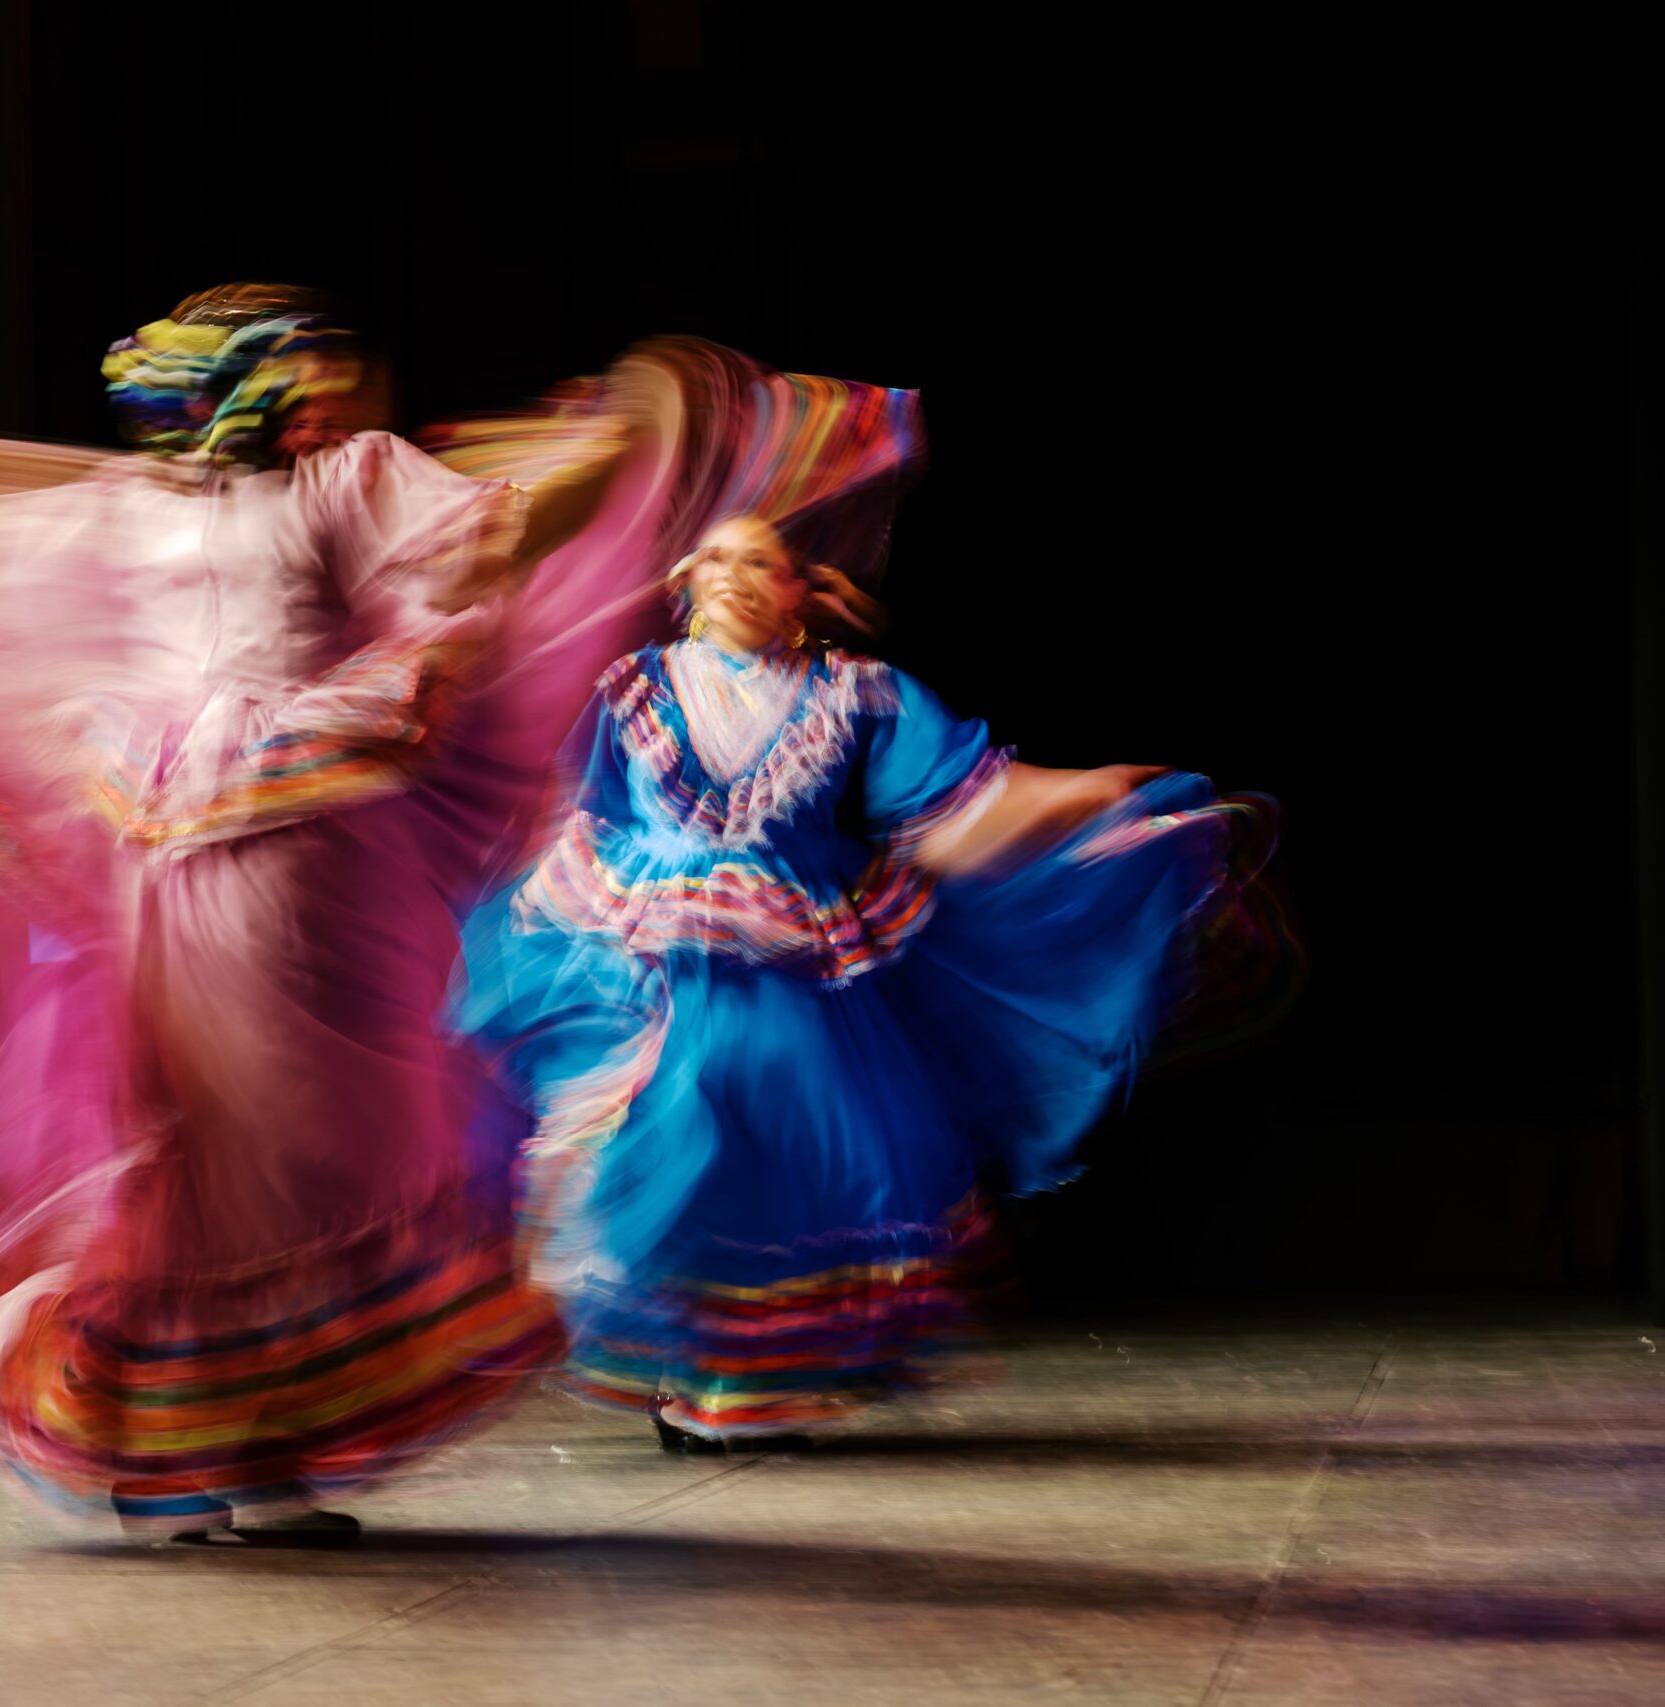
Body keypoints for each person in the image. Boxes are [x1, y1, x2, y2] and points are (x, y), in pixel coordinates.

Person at [0, 289, 907, 1536]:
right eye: (326, 380)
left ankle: (196, 1459)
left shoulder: (131, 508)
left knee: (205, 1148)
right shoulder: (340, 484)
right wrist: (642, 430)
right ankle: (243, 1458)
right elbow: (507, 532)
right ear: (276, 391)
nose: (344, 403)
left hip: (176, 855)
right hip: (292, 857)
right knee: (294, 1151)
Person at [446, 489, 1275, 1449]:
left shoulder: (853, 691)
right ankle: (693, 1363)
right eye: (717, 558)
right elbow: (581, 815)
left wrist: (1088, 796)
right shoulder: (635, 686)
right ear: (687, 583)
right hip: (654, 946)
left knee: (785, 1138)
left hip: (794, 945)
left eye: (760, 562)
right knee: (679, 1128)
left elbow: (960, 815)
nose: (734, 576)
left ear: (799, 590)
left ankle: (743, 1378)